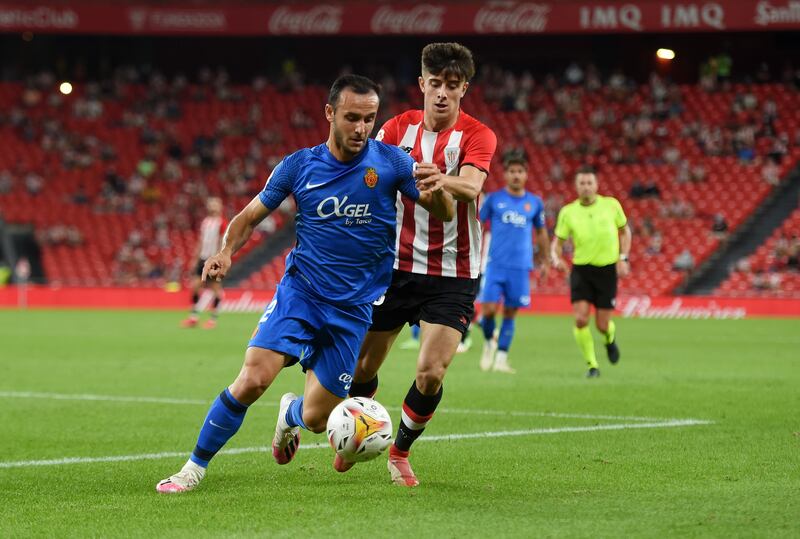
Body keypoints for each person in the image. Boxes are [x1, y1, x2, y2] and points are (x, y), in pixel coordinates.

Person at [156, 74, 454, 493]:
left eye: (369, 119)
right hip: (301, 294)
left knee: (316, 420)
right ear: (330, 113)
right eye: (352, 117)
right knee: (253, 378)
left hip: (353, 311)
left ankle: (289, 416)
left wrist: (438, 187)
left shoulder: (393, 163)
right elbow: (247, 218)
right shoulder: (299, 166)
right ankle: (193, 467)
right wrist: (226, 251)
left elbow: (444, 212)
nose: (361, 128)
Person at [348, 42, 497, 487]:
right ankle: (355, 438)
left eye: (452, 86)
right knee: (361, 369)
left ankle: (399, 452)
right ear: (422, 84)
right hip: (395, 267)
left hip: (454, 272)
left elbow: (470, 188)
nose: (442, 94)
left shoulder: (477, 135)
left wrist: (434, 177)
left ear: (464, 89)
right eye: (435, 84)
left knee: (431, 373)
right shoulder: (397, 128)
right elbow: (369, 175)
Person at [551, 166, 631, 378]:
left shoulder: (611, 205)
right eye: (582, 183)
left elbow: (625, 232)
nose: (586, 187)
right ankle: (592, 365)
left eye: (589, 183)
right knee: (580, 319)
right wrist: (556, 258)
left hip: (606, 271)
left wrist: (623, 258)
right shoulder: (568, 212)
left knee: (602, 324)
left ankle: (609, 339)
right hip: (581, 270)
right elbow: (557, 243)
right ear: (576, 187)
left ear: (596, 185)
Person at [478, 155, 550, 374]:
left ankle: (501, 359)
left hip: (520, 267)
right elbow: (477, 224)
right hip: (495, 264)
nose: (516, 175)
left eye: (520, 171)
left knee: (510, 313)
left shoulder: (535, 203)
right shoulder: (493, 199)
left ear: (526, 174)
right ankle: (490, 340)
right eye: (512, 171)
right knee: (488, 310)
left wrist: (545, 260)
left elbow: (541, 232)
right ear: (505, 174)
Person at [181, 197, 227, 329]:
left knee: (215, 288)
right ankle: (193, 317)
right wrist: (195, 259)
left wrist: (218, 259)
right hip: (202, 258)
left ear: (220, 207)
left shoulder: (222, 223)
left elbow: (222, 242)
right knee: (195, 286)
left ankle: (213, 320)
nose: (212, 206)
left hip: (214, 259)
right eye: (211, 204)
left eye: (215, 204)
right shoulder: (206, 222)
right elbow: (201, 241)